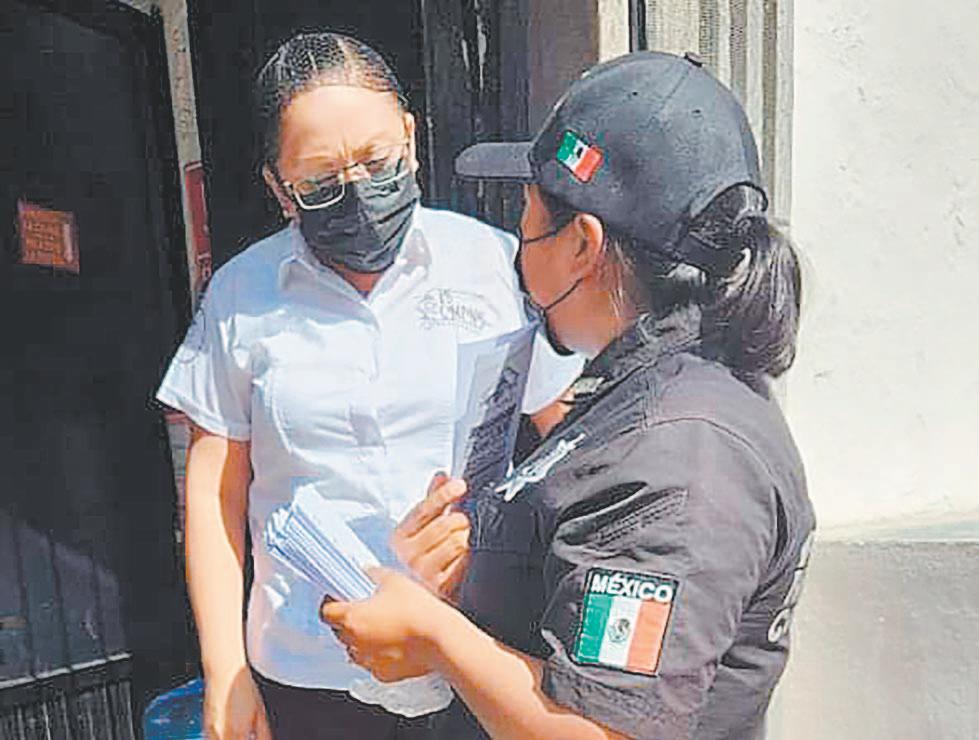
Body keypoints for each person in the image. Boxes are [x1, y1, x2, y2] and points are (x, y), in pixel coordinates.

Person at [321, 50, 816, 739]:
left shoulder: (679, 454)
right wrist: (466, 578)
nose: (516, 243)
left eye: (525, 215)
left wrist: (433, 634)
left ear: (582, 244)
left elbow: (604, 728)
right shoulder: (642, 393)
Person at [155, 32, 581, 740]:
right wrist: (225, 670)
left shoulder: (491, 266)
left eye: (377, 162)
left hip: (473, 646)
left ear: (410, 138)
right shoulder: (241, 296)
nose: (357, 195)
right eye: (320, 182)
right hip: (309, 663)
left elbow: (569, 442)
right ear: (278, 187)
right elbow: (213, 492)